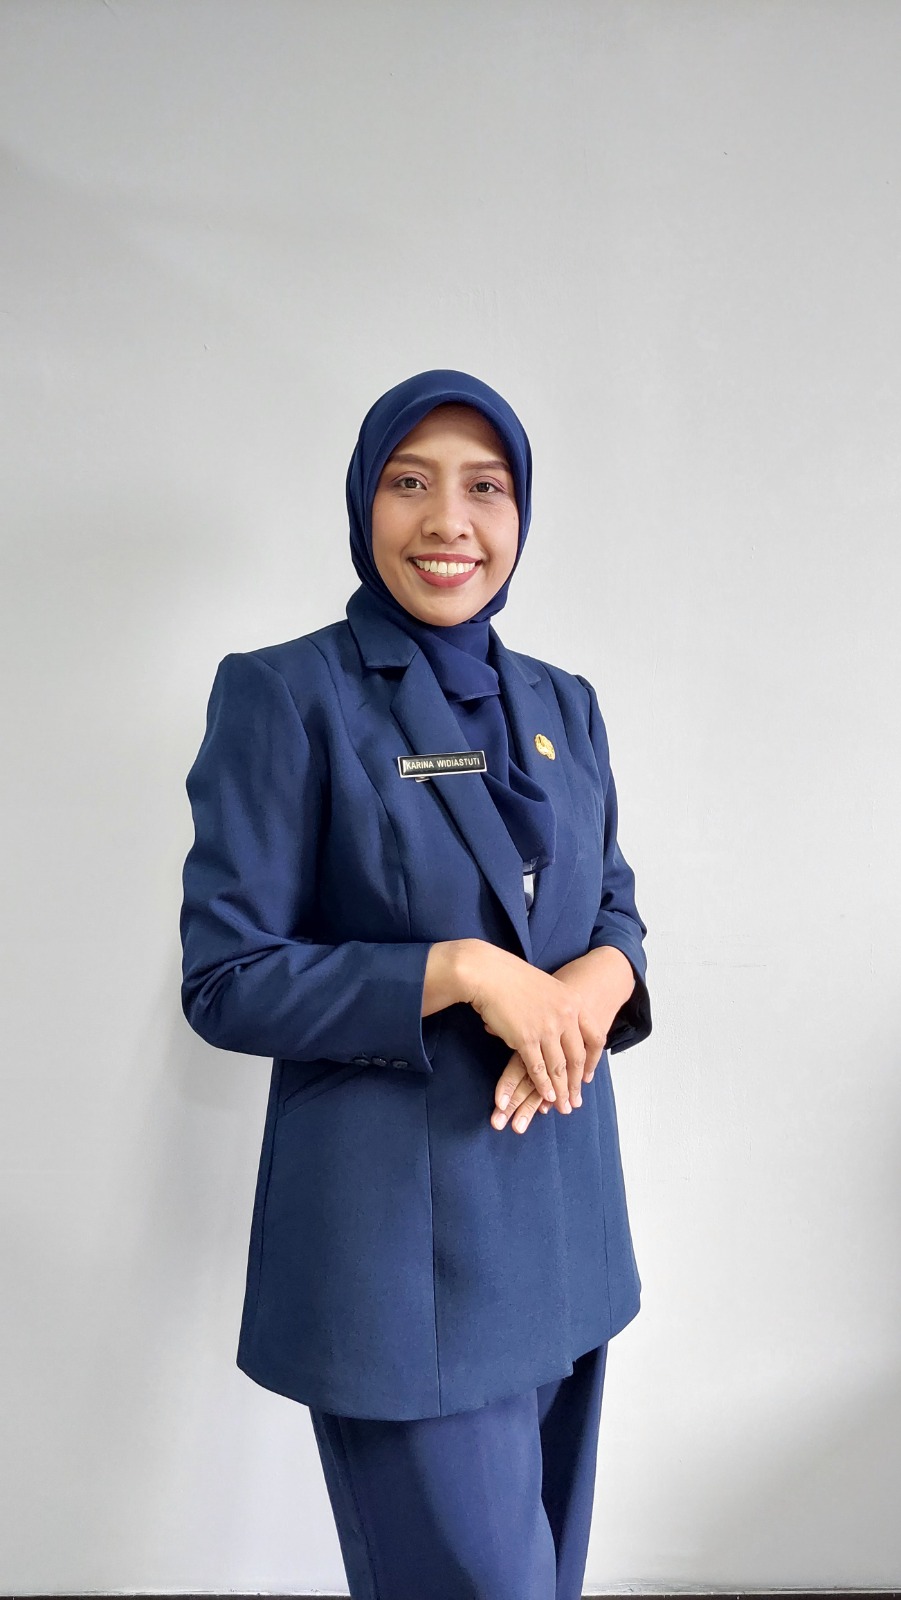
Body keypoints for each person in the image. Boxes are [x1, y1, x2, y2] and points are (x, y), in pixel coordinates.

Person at [179, 369, 653, 1600]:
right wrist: (457, 970)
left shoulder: (564, 704)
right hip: (399, 1262)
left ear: (520, 509)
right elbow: (228, 978)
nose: (449, 521)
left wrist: (602, 972)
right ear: (363, 501)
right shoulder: (288, 694)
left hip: (564, 1228)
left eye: (484, 487)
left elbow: (610, 901)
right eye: (410, 482)